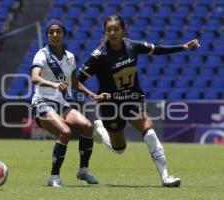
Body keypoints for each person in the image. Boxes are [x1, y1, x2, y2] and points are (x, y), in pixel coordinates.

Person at [77, 15, 200, 187]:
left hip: (132, 100)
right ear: (105, 32)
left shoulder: (132, 46)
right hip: (110, 106)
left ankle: (166, 177)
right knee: (119, 149)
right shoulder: (99, 55)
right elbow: (77, 80)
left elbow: (157, 49)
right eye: (108, 30)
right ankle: (100, 129)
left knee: (149, 132)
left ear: (123, 30)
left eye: (116, 29)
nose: (112, 33)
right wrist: (93, 95)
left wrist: (183, 47)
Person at [31, 19, 103, 187]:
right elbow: (35, 77)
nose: (54, 35)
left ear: (64, 34)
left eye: (58, 31)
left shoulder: (70, 57)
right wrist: (54, 84)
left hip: (62, 103)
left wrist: (92, 94)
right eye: (51, 32)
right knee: (65, 132)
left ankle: (83, 170)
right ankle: (54, 177)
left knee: (86, 126)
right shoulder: (42, 54)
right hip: (42, 102)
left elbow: (75, 82)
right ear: (47, 35)